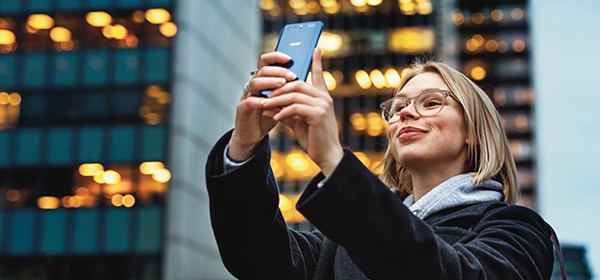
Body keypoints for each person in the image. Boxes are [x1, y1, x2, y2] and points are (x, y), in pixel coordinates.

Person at [205, 48, 555, 279]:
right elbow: (255, 256)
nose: (405, 111)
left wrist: (333, 159)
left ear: (474, 132)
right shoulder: (339, 244)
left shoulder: (516, 230)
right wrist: (244, 145)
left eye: (432, 102)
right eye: (397, 106)